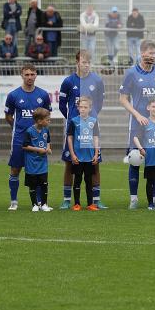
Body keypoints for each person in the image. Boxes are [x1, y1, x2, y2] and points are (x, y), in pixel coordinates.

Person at [119, 40, 155, 209]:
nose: (153, 56)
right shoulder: (131, 73)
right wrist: (137, 115)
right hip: (138, 124)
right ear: (142, 52)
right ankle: (134, 199)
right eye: (150, 53)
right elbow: (122, 99)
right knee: (135, 160)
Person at [59, 50, 106, 210]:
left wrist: (90, 119)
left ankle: (96, 199)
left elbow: (99, 103)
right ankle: (67, 199)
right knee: (69, 163)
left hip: (91, 128)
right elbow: (61, 104)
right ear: (77, 62)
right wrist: (73, 119)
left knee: (95, 163)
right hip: (75, 129)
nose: (86, 65)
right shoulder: (68, 81)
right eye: (83, 62)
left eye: (88, 62)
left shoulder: (97, 81)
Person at [4, 63, 53, 211]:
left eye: (32, 74)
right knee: (15, 169)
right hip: (19, 138)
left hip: (38, 139)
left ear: (36, 75)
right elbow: (8, 115)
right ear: (22, 75)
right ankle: (14, 201)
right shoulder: (13, 95)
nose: (30, 77)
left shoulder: (43, 95)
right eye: (27, 74)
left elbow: (47, 116)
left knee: (38, 171)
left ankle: (39, 203)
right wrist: (18, 128)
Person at [66, 96, 100, 211]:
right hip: (78, 157)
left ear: (90, 108)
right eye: (81, 107)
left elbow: (96, 138)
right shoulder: (74, 121)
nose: (83, 109)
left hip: (90, 157)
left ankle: (90, 204)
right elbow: (70, 138)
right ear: (78, 108)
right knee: (77, 180)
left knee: (89, 181)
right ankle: (77, 203)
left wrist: (96, 154)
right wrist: (72, 154)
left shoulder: (93, 121)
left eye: (85, 107)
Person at [21, 108, 52, 211]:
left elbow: (48, 141)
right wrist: (38, 149)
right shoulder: (29, 131)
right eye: (47, 119)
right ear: (39, 120)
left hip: (43, 164)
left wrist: (48, 148)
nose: (49, 121)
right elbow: (24, 146)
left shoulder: (46, 130)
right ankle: (34, 204)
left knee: (44, 184)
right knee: (33, 185)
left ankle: (44, 204)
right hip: (31, 163)